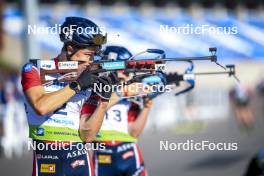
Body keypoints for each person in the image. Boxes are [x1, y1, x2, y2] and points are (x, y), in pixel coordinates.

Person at [21, 17, 117, 176]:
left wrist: (104, 101)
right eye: (88, 54)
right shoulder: (34, 70)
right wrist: (77, 85)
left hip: (79, 159)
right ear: (70, 48)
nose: (90, 61)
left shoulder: (89, 79)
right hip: (46, 157)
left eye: (93, 56)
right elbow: (41, 106)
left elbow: (87, 135)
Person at [82, 46, 154, 176]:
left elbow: (134, 132)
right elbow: (90, 120)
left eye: (129, 71)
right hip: (102, 155)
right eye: (125, 70)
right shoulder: (92, 90)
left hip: (128, 152)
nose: (128, 75)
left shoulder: (131, 94)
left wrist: (147, 107)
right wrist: (121, 93)